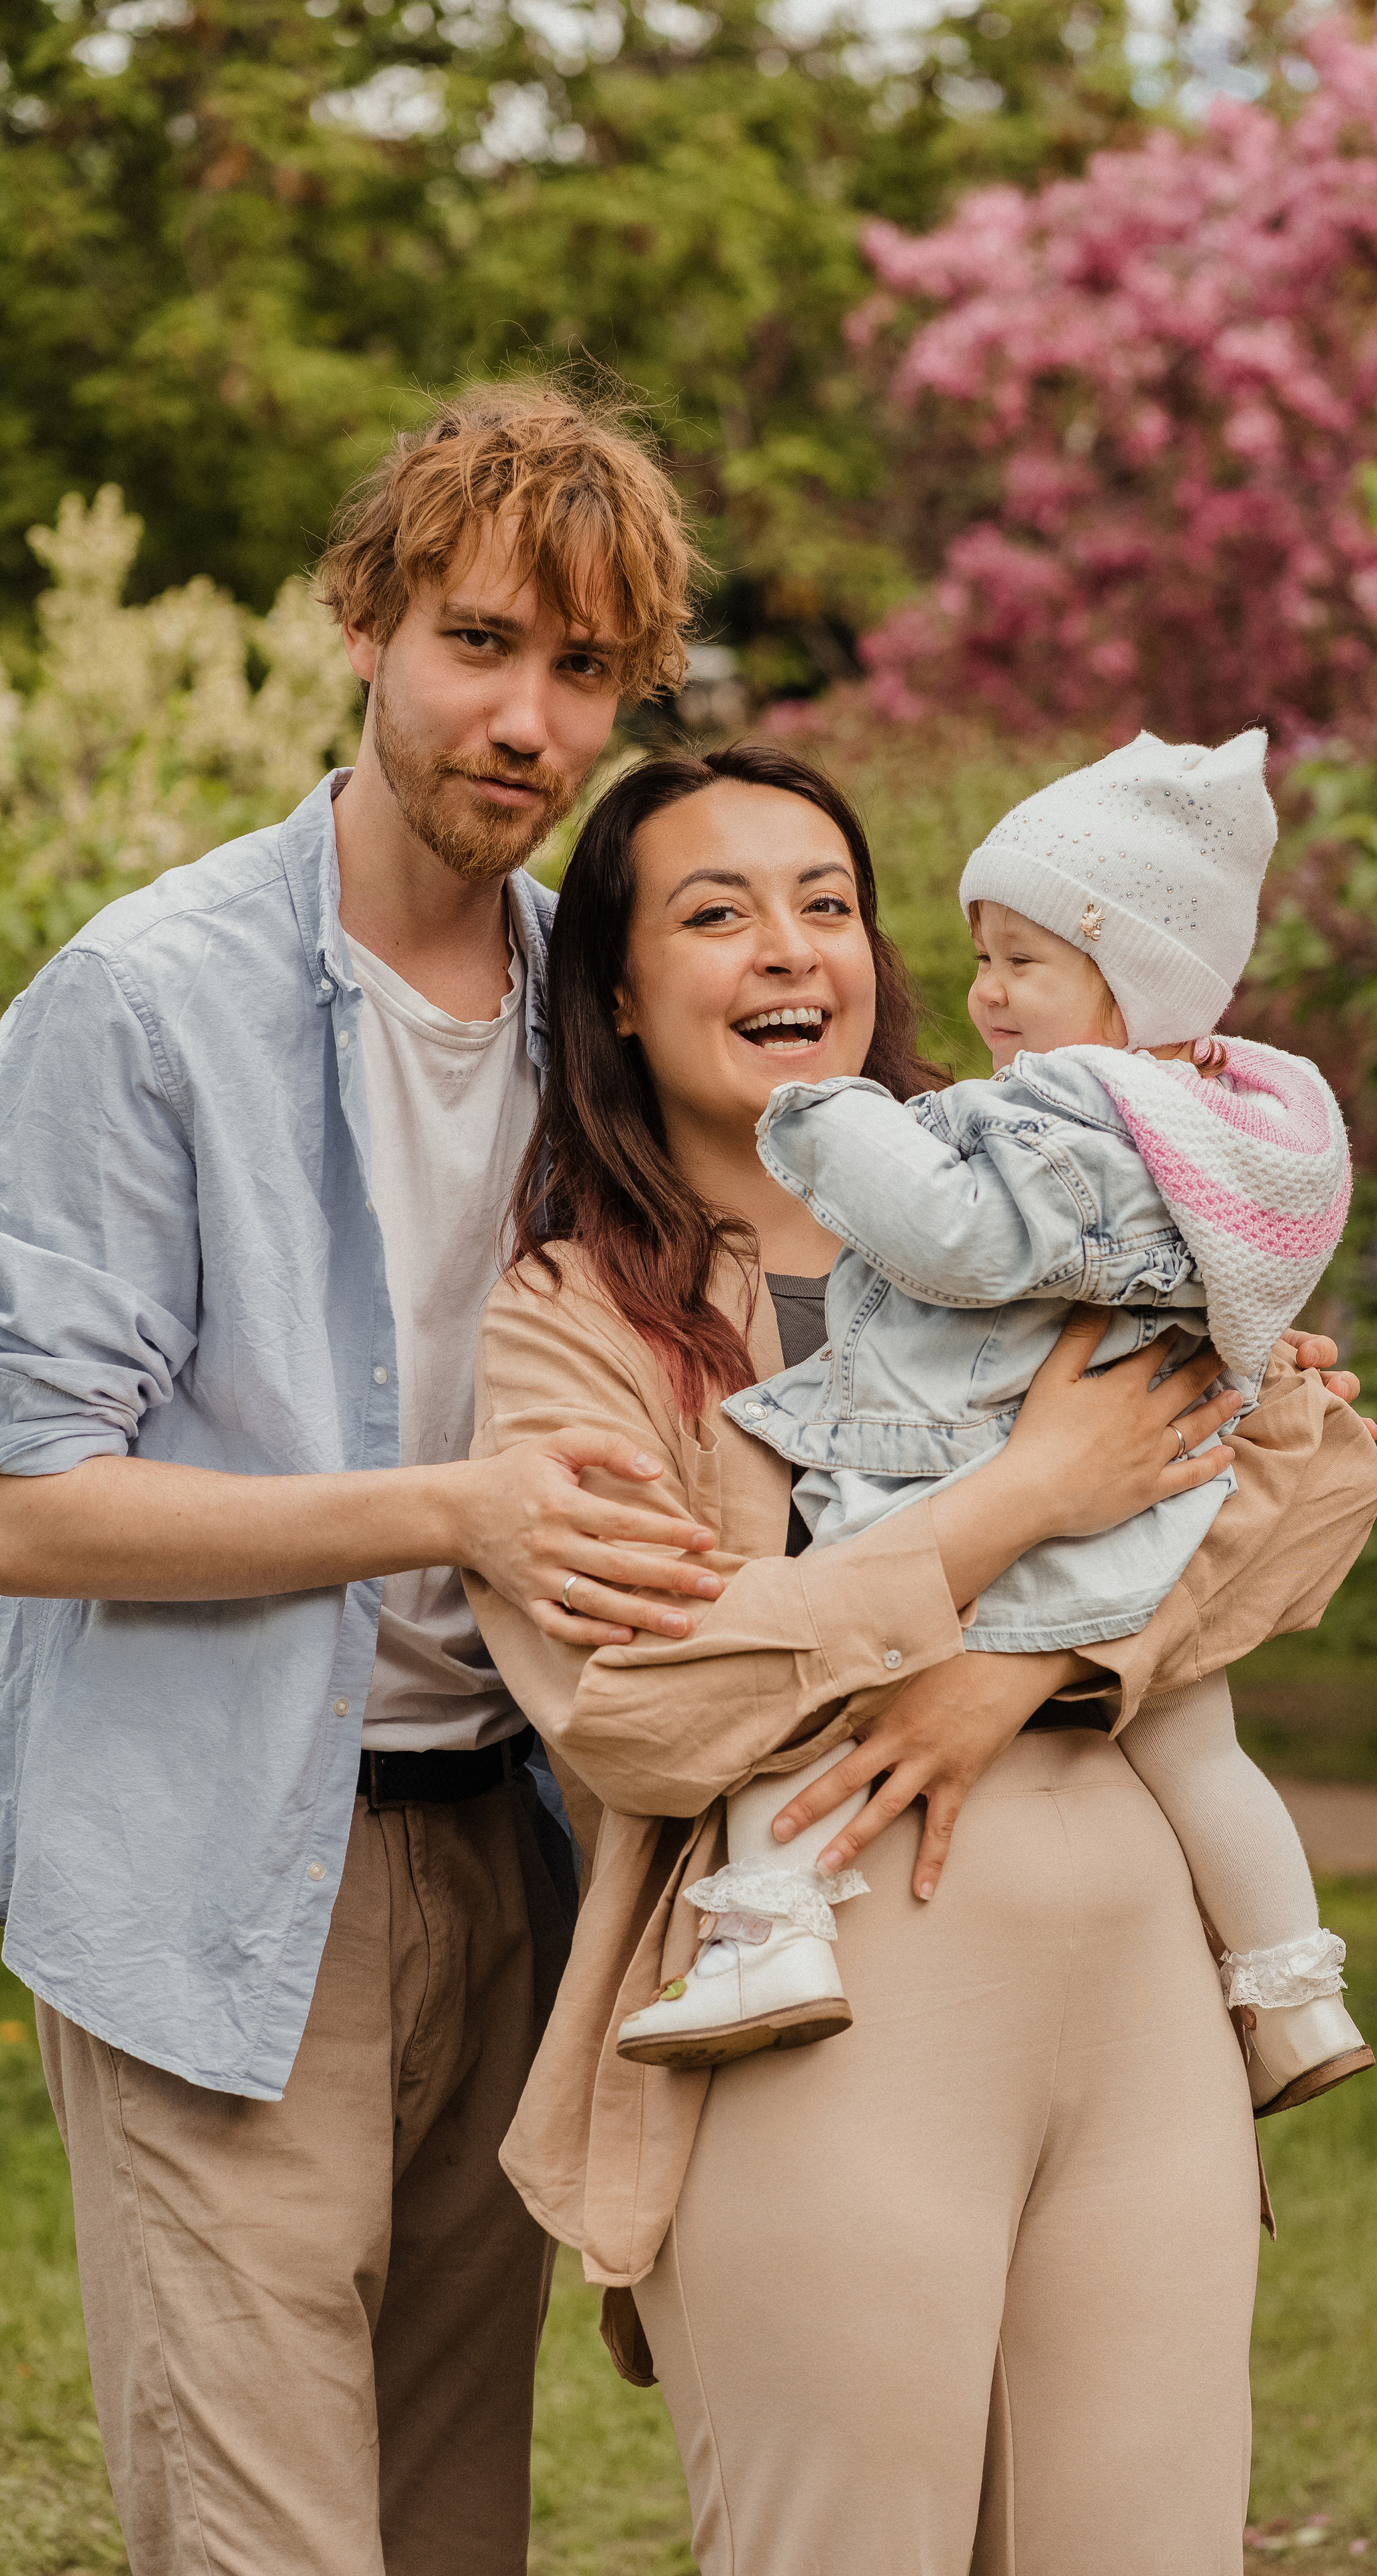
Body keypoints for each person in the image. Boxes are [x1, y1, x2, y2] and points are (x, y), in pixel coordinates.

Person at [464, 740, 1377, 2573]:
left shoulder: (1057, 1171)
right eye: (717, 914)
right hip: (819, 2010)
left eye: (828, 904)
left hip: (1141, 1999)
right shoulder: (577, 1321)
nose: (792, 948)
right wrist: (1025, 1496)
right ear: (622, 999)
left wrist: (1026, 1673)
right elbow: (645, 1710)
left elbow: (1304, 1476)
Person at [0, 381, 724, 2576]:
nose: (527, 715)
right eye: (483, 641)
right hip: (223, 1873)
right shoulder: (145, 1000)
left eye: (583, 670)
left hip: (508, 1857)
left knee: (445, 2532)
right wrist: (455, 1513)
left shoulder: (591, 1011)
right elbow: (29, 1501)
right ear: (366, 620)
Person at [619, 728, 1376, 2121]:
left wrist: (827, 1119)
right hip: (1120, 1539)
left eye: (1021, 963)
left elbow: (957, 1242)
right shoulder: (1195, 1132)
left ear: (1128, 981)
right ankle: (1288, 1987)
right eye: (979, 958)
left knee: (811, 1682)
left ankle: (766, 1931)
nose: (983, 997)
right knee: (1201, 1753)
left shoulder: (1060, 1121)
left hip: (949, 1490)